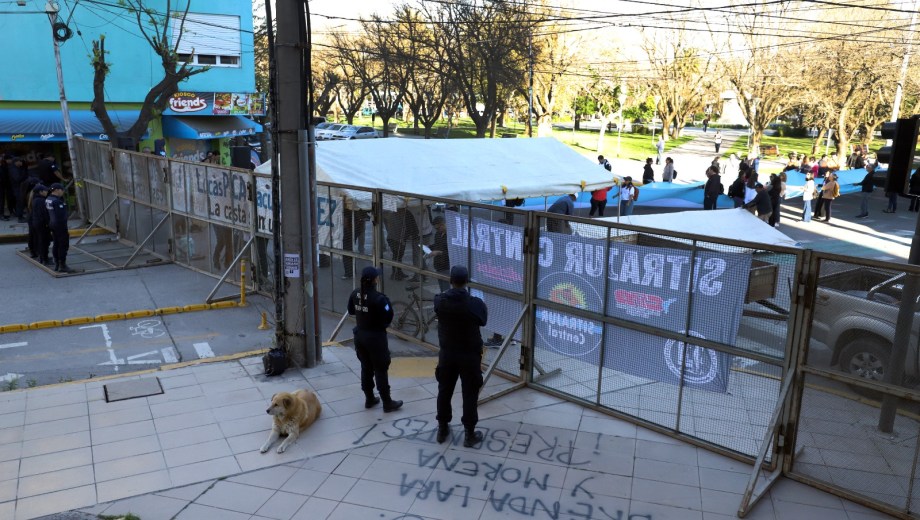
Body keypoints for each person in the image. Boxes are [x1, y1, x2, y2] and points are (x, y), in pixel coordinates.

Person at [433, 265, 488, 447]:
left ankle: (442, 428)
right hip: (469, 355)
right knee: (470, 394)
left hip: (448, 353)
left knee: (444, 390)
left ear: (450, 280)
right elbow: (483, 319)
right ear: (466, 281)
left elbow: (437, 306)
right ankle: (469, 433)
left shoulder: (440, 301)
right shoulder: (474, 304)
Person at [347, 266, 403, 413]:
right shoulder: (379, 299)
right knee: (380, 369)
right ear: (374, 280)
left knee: (366, 367)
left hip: (360, 337)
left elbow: (351, 310)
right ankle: (387, 402)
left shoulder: (355, 293)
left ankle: (369, 398)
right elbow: (388, 317)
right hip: (376, 339)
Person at [45, 183, 73, 273]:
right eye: (61, 190)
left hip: (53, 224)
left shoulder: (48, 199)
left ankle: (57, 263)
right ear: (56, 190)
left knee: (56, 244)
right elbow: (61, 216)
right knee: (63, 245)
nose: (63, 192)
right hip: (60, 226)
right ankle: (62, 265)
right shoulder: (57, 201)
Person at [29, 184, 51, 265]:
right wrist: (48, 223)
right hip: (42, 224)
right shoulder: (41, 201)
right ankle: (44, 259)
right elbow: (44, 214)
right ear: (40, 192)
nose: (47, 192)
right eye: (45, 190)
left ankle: (43, 257)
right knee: (44, 241)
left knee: (41, 240)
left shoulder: (36, 199)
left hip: (37, 223)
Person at [428, 216, 451, 292]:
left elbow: (451, 253)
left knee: (446, 289)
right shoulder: (438, 234)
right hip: (438, 265)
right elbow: (436, 245)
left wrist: (438, 252)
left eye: (438, 228)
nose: (437, 230)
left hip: (446, 265)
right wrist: (428, 248)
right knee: (442, 289)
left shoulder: (450, 236)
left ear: (443, 224)